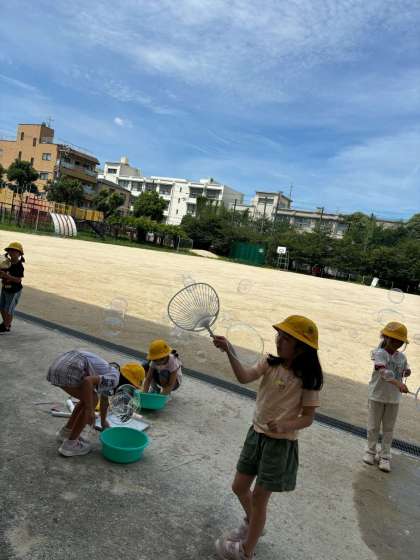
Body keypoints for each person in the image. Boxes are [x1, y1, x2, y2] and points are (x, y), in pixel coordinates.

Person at [212, 315, 323, 560]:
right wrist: (229, 350)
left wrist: (285, 425)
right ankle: (254, 525)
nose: (278, 341)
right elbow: (244, 377)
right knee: (239, 487)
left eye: (286, 339)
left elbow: (308, 418)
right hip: (256, 435)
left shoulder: (308, 379)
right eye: (278, 335)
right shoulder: (270, 363)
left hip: (280, 445)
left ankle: (246, 551)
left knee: (259, 499)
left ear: (301, 348)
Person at [47, 350, 120, 457]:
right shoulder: (114, 378)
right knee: (92, 399)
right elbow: (87, 381)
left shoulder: (108, 370)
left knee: (87, 397)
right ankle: (70, 445)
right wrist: (90, 410)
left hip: (58, 366)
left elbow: (104, 401)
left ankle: (66, 433)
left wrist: (103, 422)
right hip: (69, 368)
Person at [363, 322, 411, 473]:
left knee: (389, 429)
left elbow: (405, 369)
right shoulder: (380, 353)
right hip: (377, 396)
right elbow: (383, 372)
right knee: (373, 426)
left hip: (393, 399)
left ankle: (385, 456)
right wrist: (398, 383)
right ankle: (370, 451)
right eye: (393, 339)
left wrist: (407, 372)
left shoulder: (402, 357)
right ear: (385, 337)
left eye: (400, 341)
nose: (397, 343)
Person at [0, 242, 25, 333]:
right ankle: (6, 323)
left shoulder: (19, 266)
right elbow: (2, 274)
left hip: (14, 291)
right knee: (1, 307)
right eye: (10, 251)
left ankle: (6, 326)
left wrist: (6, 276)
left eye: (14, 251)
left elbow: (18, 280)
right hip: (5, 288)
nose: (12, 253)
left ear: (19, 254)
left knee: (9, 310)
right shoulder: (6, 263)